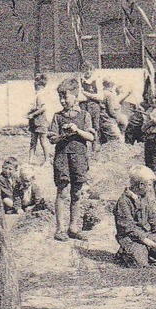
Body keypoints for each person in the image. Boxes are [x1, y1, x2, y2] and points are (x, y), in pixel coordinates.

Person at [46, 79, 99, 237]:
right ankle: (60, 229)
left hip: (79, 158)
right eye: (60, 97)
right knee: (62, 192)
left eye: (65, 97)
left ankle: (74, 227)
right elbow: (51, 138)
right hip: (62, 158)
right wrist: (63, 135)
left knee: (76, 193)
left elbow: (90, 137)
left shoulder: (85, 116)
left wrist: (77, 131)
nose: (62, 101)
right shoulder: (57, 116)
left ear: (75, 97)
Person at [26, 73, 53, 161]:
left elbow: (43, 108)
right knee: (33, 142)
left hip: (41, 121)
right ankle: (30, 160)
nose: (35, 85)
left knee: (43, 141)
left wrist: (33, 114)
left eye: (36, 83)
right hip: (34, 122)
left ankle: (47, 160)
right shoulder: (37, 94)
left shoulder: (41, 94)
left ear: (40, 84)